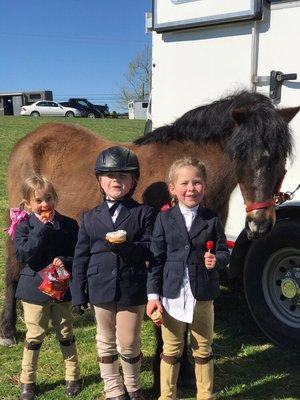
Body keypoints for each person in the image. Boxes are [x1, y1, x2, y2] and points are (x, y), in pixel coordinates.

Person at [70, 146, 155, 400]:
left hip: (132, 286)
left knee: (129, 341)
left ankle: (132, 385)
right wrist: (78, 293)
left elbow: (151, 249)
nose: (116, 180)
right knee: (105, 339)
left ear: (133, 181)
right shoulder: (89, 217)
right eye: (109, 176)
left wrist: (127, 247)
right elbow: (80, 256)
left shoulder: (143, 213)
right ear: (99, 180)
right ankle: (113, 388)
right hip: (99, 286)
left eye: (123, 176)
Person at [146, 156, 230, 400]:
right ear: (172, 188)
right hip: (171, 294)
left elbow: (224, 251)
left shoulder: (211, 217)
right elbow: (156, 260)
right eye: (184, 183)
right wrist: (153, 296)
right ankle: (167, 395)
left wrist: (218, 260)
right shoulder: (164, 218)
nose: (190, 188)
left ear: (204, 186)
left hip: (202, 294)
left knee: (203, 348)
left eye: (196, 182)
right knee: (171, 349)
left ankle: (205, 395)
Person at [12, 175, 82, 400]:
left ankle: (73, 376)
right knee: (34, 335)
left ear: (56, 198)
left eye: (49, 198)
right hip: (34, 289)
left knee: (65, 332)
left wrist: (65, 259)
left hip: (61, 287)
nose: (45, 205)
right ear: (27, 203)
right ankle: (27, 381)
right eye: (39, 201)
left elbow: (79, 254)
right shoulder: (23, 227)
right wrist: (40, 230)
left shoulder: (69, 225)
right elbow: (23, 254)